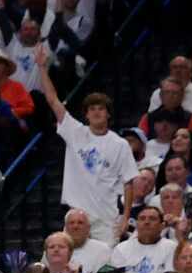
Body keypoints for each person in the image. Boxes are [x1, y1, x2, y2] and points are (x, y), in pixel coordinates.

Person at [40, 47, 138, 245]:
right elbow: (52, 100)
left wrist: (125, 216)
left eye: (100, 109)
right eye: (92, 109)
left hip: (106, 217)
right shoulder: (75, 132)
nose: (96, 112)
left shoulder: (119, 144)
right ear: (86, 114)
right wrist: (41, 67)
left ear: (108, 114)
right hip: (76, 216)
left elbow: (129, 183)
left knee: (105, 270)